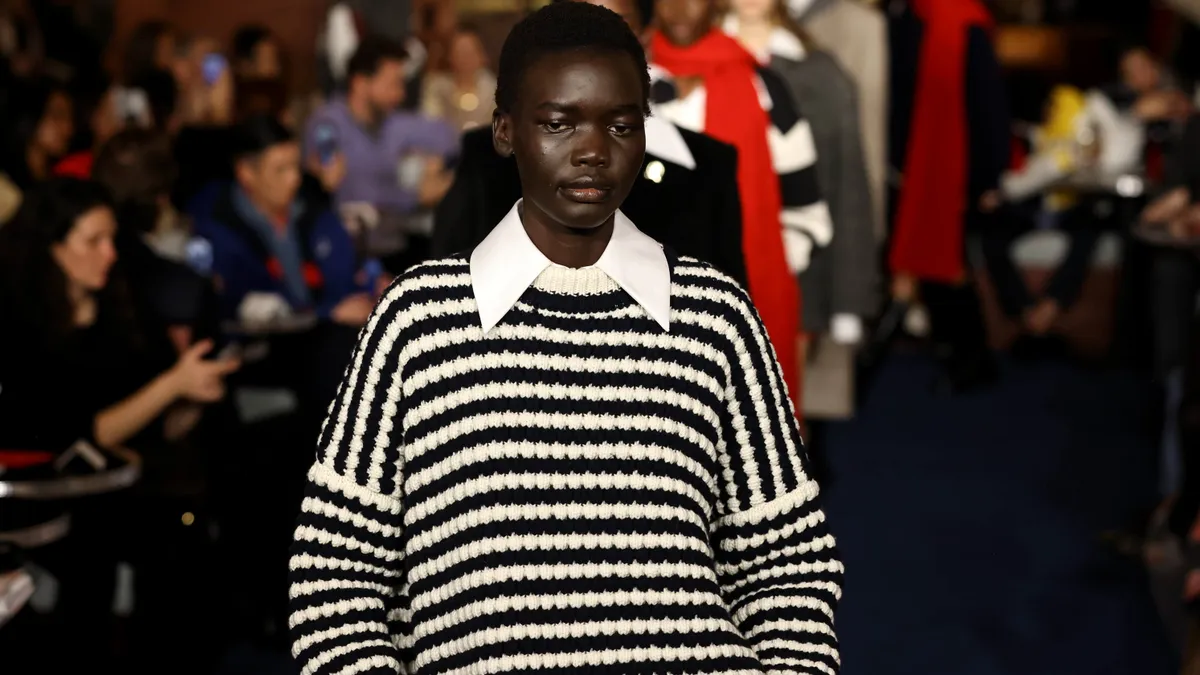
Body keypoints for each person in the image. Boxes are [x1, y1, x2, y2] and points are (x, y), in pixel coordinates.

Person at [287, 3, 843, 674]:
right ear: (504, 130)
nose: (591, 150)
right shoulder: (418, 321)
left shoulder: (715, 315)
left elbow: (788, 565)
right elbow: (335, 576)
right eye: (558, 122)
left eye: (620, 124)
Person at [431, 0, 747, 288]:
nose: (592, 152)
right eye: (557, 125)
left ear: (646, 37)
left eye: (615, 24)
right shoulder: (485, 160)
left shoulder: (708, 166)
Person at [0, 177, 238, 453]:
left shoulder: (123, 304)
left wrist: (194, 392)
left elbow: (159, 427)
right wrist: (171, 385)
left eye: (112, 239)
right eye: (93, 241)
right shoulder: (16, 323)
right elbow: (74, 436)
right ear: (52, 246)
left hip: (135, 478)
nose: (110, 253)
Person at [189, 115, 373, 327]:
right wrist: (325, 315)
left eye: (296, 166)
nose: (293, 178)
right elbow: (232, 307)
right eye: (280, 170)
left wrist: (370, 286)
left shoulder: (315, 214)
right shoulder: (216, 231)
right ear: (246, 173)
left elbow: (348, 277)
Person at [420, 24, 496, 132]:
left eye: (469, 53)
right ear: (450, 56)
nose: (464, 59)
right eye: (459, 52)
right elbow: (429, 122)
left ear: (482, 56)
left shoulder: (495, 90)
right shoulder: (437, 87)